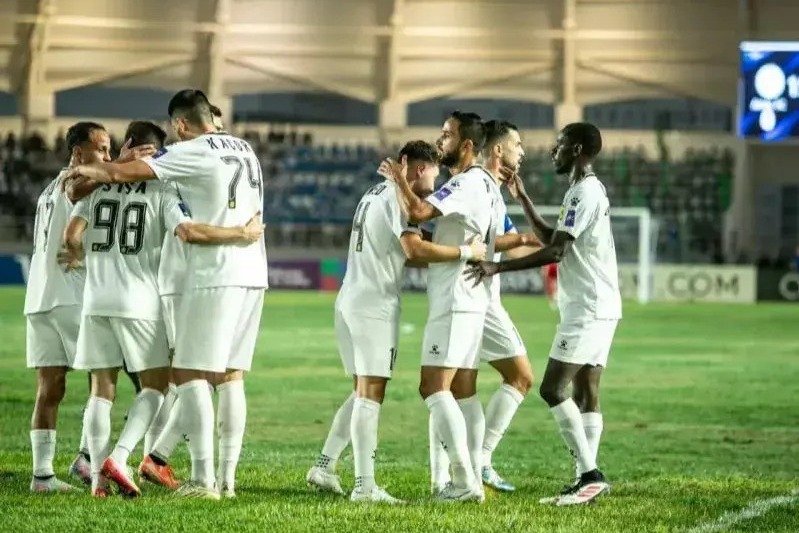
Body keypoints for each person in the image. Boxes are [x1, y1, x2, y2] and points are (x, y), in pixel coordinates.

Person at [64, 89, 269, 500]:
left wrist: (83, 169)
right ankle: (224, 481)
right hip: (252, 270)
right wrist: (242, 233)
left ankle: (200, 479)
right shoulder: (245, 148)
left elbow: (114, 183)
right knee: (231, 377)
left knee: (188, 374)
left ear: (180, 124)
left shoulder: (187, 152)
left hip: (209, 274)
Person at [305, 140, 487, 503]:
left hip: (351, 298)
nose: (436, 183)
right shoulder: (399, 199)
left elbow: (409, 246)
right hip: (374, 305)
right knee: (370, 394)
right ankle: (364, 486)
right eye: (434, 174)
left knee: (361, 390)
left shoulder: (374, 192)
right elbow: (413, 249)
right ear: (420, 169)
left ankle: (324, 466)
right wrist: (466, 251)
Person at [465, 122, 621, 506]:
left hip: (588, 307)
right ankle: (586, 481)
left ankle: (590, 474)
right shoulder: (585, 190)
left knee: (552, 388)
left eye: (560, 144)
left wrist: (498, 267)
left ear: (577, 149)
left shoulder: (584, 192)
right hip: (599, 305)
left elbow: (556, 252)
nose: (554, 150)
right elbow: (554, 238)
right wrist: (523, 199)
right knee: (587, 393)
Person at [381, 111, 501, 502]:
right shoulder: (485, 183)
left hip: (455, 298)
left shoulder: (466, 182)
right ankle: (467, 476)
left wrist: (399, 178)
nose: (440, 139)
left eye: (447, 134)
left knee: (432, 386)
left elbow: (416, 213)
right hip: (471, 300)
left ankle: (464, 483)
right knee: (463, 392)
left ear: (466, 145)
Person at [426, 120, 539, 494]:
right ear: (496, 149)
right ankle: (456, 473)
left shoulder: (490, 189)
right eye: (517, 144)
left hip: (482, 297)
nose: (522, 151)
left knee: (457, 386)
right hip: (473, 295)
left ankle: (471, 468)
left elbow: (499, 241)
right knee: (453, 386)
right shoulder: (472, 183)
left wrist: (534, 242)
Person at [25, 122, 110, 493]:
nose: (107, 156)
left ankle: (42, 475)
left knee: (50, 387)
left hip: (39, 299)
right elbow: (84, 188)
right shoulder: (75, 180)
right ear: (78, 152)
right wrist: (126, 163)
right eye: (102, 148)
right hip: (70, 296)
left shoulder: (49, 187)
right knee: (103, 375)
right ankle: (87, 459)